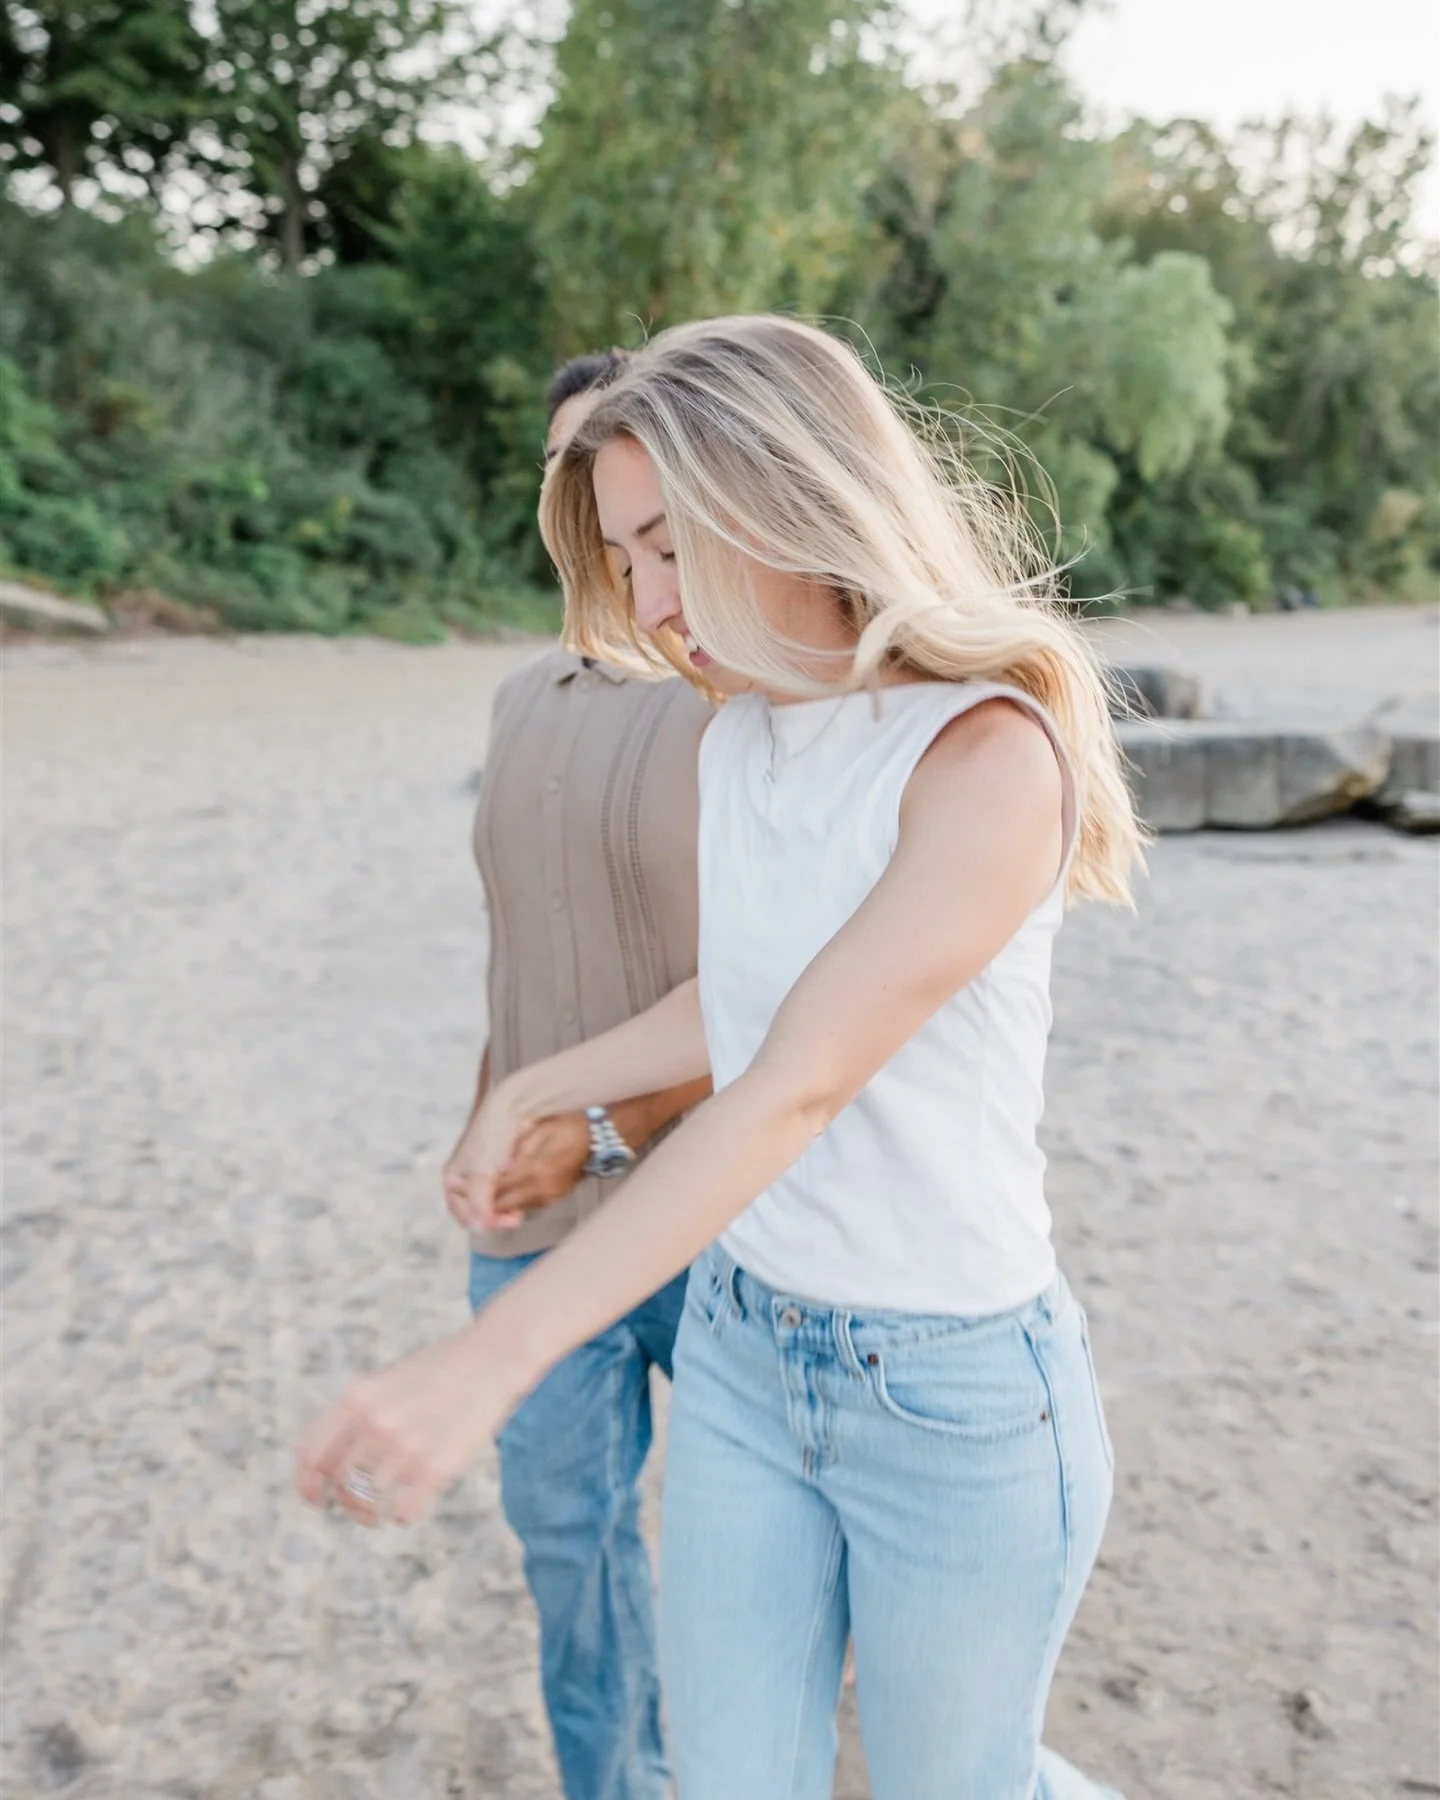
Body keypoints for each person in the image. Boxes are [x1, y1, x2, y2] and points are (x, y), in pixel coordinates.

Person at [300, 315, 1142, 1800]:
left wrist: (492, 1356)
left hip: (950, 1392)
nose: (651, 599)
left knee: (959, 1786)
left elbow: (796, 1080)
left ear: (798, 495)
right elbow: (745, 996)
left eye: (674, 543)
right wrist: (535, 1080)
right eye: (627, 557)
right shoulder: (743, 738)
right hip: (751, 1351)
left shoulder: (986, 756)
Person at [447, 349, 712, 1800]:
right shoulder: (515, 699)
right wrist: (487, 1117)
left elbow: (774, 996)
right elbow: (517, 940)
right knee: (571, 1552)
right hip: (535, 1221)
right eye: (570, 474)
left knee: (758, 1551)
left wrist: (599, 1131)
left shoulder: (737, 700)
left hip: (715, 1215)